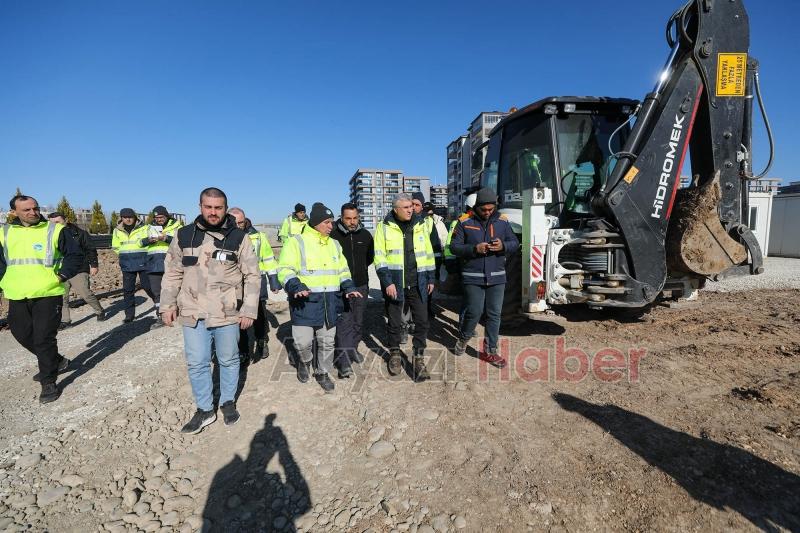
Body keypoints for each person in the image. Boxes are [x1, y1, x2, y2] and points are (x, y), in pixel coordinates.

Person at [160, 188, 261, 434]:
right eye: (208, 207)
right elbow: (172, 272)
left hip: (226, 312)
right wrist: (167, 304)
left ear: (225, 208)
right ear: (200, 206)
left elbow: (252, 276)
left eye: (218, 208)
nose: (213, 212)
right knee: (197, 362)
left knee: (228, 359)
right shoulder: (183, 236)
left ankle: (227, 402)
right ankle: (205, 409)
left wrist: (249, 310)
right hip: (192, 310)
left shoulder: (239, 237)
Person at [1, 194, 82, 403]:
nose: (33, 213)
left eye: (35, 208)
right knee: (21, 333)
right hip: (17, 292)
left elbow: (75, 255)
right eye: (27, 210)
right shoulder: (5, 232)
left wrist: (62, 275)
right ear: (14, 213)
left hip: (48, 291)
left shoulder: (55, 230)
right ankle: (56, 361)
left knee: (43, 338)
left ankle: (48, 382)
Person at [277, 202, 361, 392]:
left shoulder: (334, 244)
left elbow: (343, 270)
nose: (331, 226)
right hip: (304, 302)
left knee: (327, 342)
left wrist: (348, 286)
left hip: (329, 302)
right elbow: (284, 269)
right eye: (326, 222)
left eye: (331, 222)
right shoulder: (296, 242)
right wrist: (295, 285)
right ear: (315, 223)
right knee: (302, 342)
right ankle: (305, 362)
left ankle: (322, 372)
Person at [449, 187, 520, 368]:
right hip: (473, 277)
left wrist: (503, 245)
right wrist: (474, 249)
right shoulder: (465, 223)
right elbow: (454, 247)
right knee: (474, 312)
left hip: (497, 277)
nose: (488, 213)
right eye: (484, 210)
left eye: (491, 209)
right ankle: (463, 339)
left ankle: (491, 351)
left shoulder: (503, 223)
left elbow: (515, 243)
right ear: (476, 207)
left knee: (494, 315)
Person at [374, 193, 436, 382]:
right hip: (395, 284)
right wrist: (387, 282)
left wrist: (431, 277)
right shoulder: (383, 227)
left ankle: (418, 358)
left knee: (422, 321)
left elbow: (428, 253)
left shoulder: (421, 224)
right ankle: (394, 353)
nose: (411, 209)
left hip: (418, 282)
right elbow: (379, 257)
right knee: (394, 322)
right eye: (406, 207)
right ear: (395, 209)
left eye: (411, 206)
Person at [228, 208, 281, 363]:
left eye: (241, 222)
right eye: (235, 223)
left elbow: (269, 259)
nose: (238, 225)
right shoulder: (224, 236)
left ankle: (261, 340)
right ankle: (243, 350)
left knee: (259, 315)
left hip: (255, 282)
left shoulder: (258, 236)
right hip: (234, 284)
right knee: (238, 318)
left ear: (246, 220)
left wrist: (273, 281)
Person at [330, 202, 374, 378]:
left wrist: (360, 272)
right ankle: (343, 362)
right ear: (341, 218)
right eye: (348, 218)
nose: (352, 222)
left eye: (355, 218)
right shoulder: (333, 236)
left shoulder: (366, 235)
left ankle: (353, 349)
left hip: (361, 284)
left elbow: (369, 258)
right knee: (344, 324)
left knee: (358, 321)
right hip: (340, 287)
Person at [47, 212, 106, 326]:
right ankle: (65, 320)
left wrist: (94, 265)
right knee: (62, 297)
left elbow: (90, 249)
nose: (55, 225)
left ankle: (99, 311)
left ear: (66, 220)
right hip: (60, 270)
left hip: (78, 268)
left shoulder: (80, 233)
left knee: (85, 293)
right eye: (52, 223)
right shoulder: (50, 236)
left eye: (58, 222)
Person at [143, 205, 183, 329]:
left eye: (161, 217)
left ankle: (180, 311)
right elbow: (140, 242)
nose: (159, 219)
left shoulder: (177, 226)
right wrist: (148, 240)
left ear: (166, 216)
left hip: (172, 263)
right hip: (154, 263)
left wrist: (166, 238)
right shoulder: (149, 227)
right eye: (157, 217)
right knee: (156, 291)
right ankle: (161, 316)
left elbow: (182, 242)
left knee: (177, 288)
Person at [112, 208, 154, 323]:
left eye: (130, 217)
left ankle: (159, 304)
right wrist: (123, 255)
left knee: (147, 286)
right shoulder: (117, 231)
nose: (128, 219)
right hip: (127, 263)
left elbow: (153, 240)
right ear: (121, 218)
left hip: (143, 261)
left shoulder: (145, 228)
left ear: (135, 217)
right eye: (125, 217)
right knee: (128, 290)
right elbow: (115, 247)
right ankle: (129, 315)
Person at [422, 201, 448, 319]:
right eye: (427, 213)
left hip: (436, 258)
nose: (429, 216)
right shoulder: (422, 222)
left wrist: (445, 257)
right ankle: (423, 309)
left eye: (431, 213)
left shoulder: (440, 223)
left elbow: (445, 240)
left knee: (431, 285)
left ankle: (428, 307)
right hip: (423, 258)